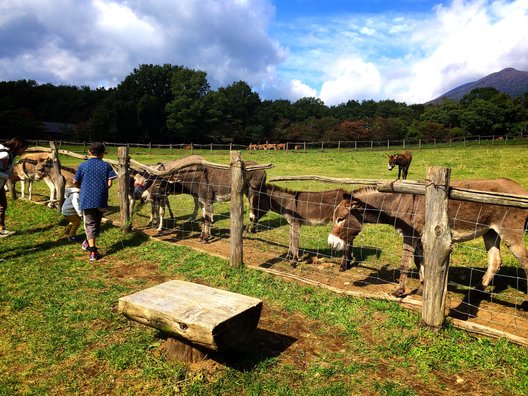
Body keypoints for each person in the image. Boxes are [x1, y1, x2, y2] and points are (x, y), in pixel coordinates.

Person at [73, 142, 117, 261]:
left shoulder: (83, 166)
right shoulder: (106, 166)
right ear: (103, 154)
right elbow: (109, 183)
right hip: (101, 198)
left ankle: (92, 251)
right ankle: (88, 243)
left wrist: (82, 187)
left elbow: (75, 181)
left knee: (89, 223)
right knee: (97, 221)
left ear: (89, 152)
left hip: (86, 198)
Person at [0, 137, 28, 237]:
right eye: (24, 148)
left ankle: (1, 228)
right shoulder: (5, 156)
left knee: (2, 206)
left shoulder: (11, 155)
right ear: (18, 146)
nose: (24, 151)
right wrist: (9, 177)